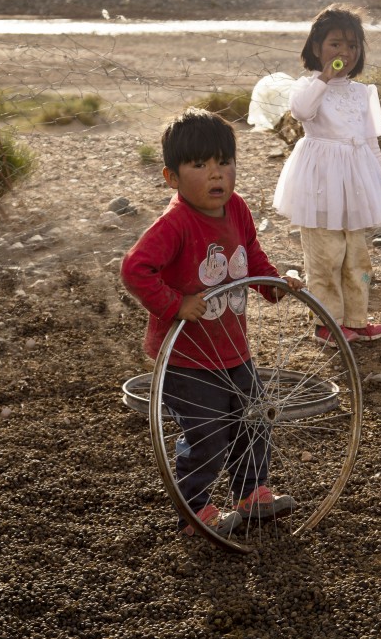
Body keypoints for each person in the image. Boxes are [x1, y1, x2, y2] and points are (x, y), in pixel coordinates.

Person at [121, 107, 302, 536]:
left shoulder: (236, 209)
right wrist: (174, 303)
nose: (216, 174)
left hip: (233, 349)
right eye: (200, 165)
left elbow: (250, 256)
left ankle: (251, 491)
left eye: (224, 161)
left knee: (253, 421)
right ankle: (195, 509)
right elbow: (135, 269)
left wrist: (272, 284)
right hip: (186, 358)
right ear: (173, 178)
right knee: (207, 435)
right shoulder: (176, 224)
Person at [273, 4, 381, 346]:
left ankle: (357, 320)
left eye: (352, 45)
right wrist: (325, 77)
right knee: (325, 255)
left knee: (356, 255)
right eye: (335, 44)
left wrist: (379, 182)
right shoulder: (308, 87)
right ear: (316, 48)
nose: (344, 52)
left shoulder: (364, 93)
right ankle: (327, 322)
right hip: (319, 182)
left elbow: (371, 140)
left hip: (356, 182)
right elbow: (301, 111)